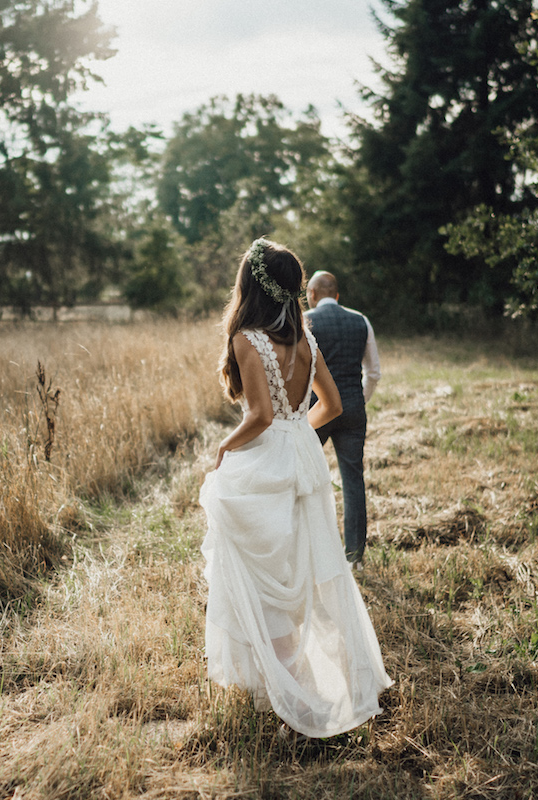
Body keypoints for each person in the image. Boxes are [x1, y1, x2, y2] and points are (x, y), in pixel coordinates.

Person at [199, 238, 392, 738]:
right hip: (302, 457)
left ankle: (291, 694)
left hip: (265, 461)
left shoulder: (246, 338)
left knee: (263, 572)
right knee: (301, 568)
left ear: (250, 286)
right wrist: (298, 430)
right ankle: (295, 687)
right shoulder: (304, 341)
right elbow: (332, 405)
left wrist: (224, 447)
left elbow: (260, 416)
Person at [304, 270, 380, 568]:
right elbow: (373, 373)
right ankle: (354, 558)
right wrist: (359, 399)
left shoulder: (306, 322)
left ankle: (312, 552)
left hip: (316, 411)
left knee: (305, 475)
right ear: (337, 295)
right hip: (352, 408)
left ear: (311, 294)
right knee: (353, 479)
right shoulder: (361, 320)